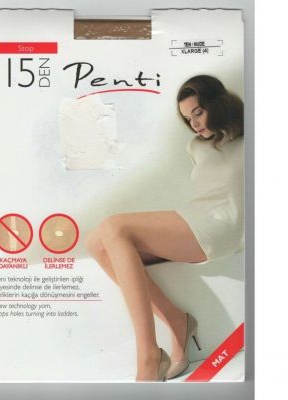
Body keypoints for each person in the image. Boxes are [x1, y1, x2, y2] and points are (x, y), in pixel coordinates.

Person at [84, 75, 244, 382]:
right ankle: (176, 320)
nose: (194, 124)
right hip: (196, 217)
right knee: (96, 242)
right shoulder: (196, 146)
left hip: (221, 226)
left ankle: (148, 355)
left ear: (218, 104)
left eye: (198, 112)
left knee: (114, 226)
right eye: (188, 118)